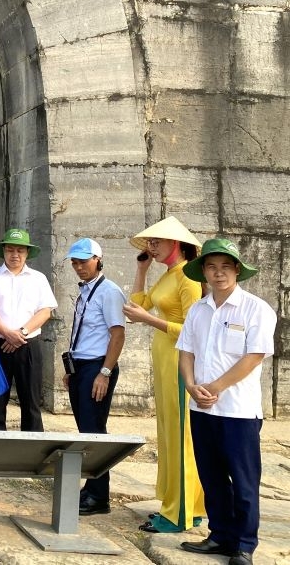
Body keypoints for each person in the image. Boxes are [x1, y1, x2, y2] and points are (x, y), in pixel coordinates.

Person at [177, 239, 276, 565]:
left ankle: (244, 545)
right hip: (201, 408)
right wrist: (191, 385)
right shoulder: (198, 309)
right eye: (211, 266)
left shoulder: (256, 309)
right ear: (203, 271)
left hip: (238, 410)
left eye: (225, 267)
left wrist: (216, 387)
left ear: (236, 270)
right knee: (211, 476)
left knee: (244, 480)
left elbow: (255, 356)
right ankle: (219, 535)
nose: (218, 273)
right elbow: (186, 351)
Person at [123, 216, 206, 533]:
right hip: (163, 361)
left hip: (179, 364)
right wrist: (141, 270)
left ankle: (179, 513)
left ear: (176, 243)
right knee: (169, 433)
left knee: (180, 436)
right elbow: (136, 307)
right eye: (149, 243)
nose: (151, 247)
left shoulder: (187, 279)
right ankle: (186, 506)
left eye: (156, 242)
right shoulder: (169, 275)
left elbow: (193, 330)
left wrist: (149, 319)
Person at [61, 238, 126, 515]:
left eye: (83, 261)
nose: (79, 267)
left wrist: (105, 372)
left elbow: (117, 334)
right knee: (86, 431)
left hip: (98, 367)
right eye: (75, 262)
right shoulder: (86, 290)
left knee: (94, 432)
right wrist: (71, 368)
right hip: (81, 366)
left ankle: (100, 497)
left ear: (98, 259)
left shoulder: (108, 291)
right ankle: (92, 487)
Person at [0, 228, 57, 432]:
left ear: (27, 253)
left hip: (28, 345)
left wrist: (20, 333)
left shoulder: (38, 278)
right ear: (3, 251)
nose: (15, 255)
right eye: (11, 250)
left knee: (31, 400)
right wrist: (7, 333)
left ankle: (32, 453)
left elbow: (45, 311)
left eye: (20, 251)